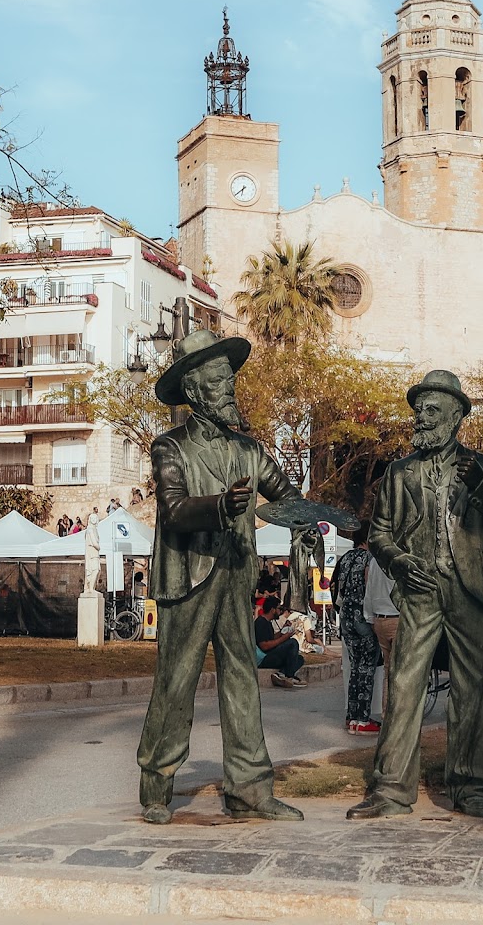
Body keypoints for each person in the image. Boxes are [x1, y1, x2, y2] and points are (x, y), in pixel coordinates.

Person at [136, 328, 304, 827]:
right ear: (193, 390)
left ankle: (249, 789)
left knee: (242, 680)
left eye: (231, 380)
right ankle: (156, 785)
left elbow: (287, 495)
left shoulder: (249, 451)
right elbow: (173, 510)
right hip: (188, 579)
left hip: (234, 576)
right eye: (219, 381)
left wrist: (308, 520)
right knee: (176, 681)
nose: (229, 389)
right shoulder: (169, 447)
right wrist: (220, 506)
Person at [347, 370, 483, 821]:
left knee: (471, 692)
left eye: (432, 410)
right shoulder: (399, 473)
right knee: (404, 688)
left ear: (456, 416)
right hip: (419, 591)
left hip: (471, 593)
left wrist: (482, 486)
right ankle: (391, 789)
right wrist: (399, 562)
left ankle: (468, 786)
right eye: (418, 409)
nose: (421, 417)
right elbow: (380, 534)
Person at [337, 521, 378, 734]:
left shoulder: (345, 558)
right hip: (362, 614)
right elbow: (369, 587)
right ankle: (362, 719)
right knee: (367, 667)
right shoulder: (369, 559)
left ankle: (351, 716)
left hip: (346, 615)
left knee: (354, 667)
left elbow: (339, 588)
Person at [363, 552, 400, 709]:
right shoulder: (400, 558)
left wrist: (370, 618)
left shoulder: (374, 562)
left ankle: (387, 712)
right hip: (397, 617)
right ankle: (398, 713)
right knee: (400, 669)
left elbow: (369, 591)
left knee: (388, 669)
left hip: (379, 618)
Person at [255, 596, 307, 687]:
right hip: (264, 658)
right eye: (279, 609)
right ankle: (289, 676)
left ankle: (281, 674)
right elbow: (264, 646)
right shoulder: (261, 622)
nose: (280, 611)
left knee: (299, 659)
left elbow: (271, 638)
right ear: (272, 610)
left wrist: (282, 631)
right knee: (293, 643)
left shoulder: (268, 622)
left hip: (269, 655)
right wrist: (284, 638)